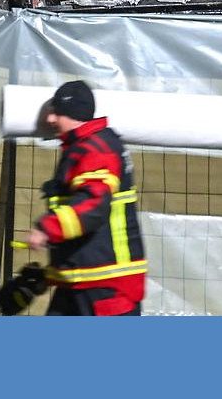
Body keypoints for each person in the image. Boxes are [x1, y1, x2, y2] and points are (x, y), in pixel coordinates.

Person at [23, 80, 147, 315]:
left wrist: (46, 229)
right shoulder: (88, 146)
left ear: (73, 114)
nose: (50, 120)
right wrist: (48, 276)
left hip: (106, 285)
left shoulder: (95, 148)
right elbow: (87, 233)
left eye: (57, 112)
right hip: (85, 281)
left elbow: (93, 206)